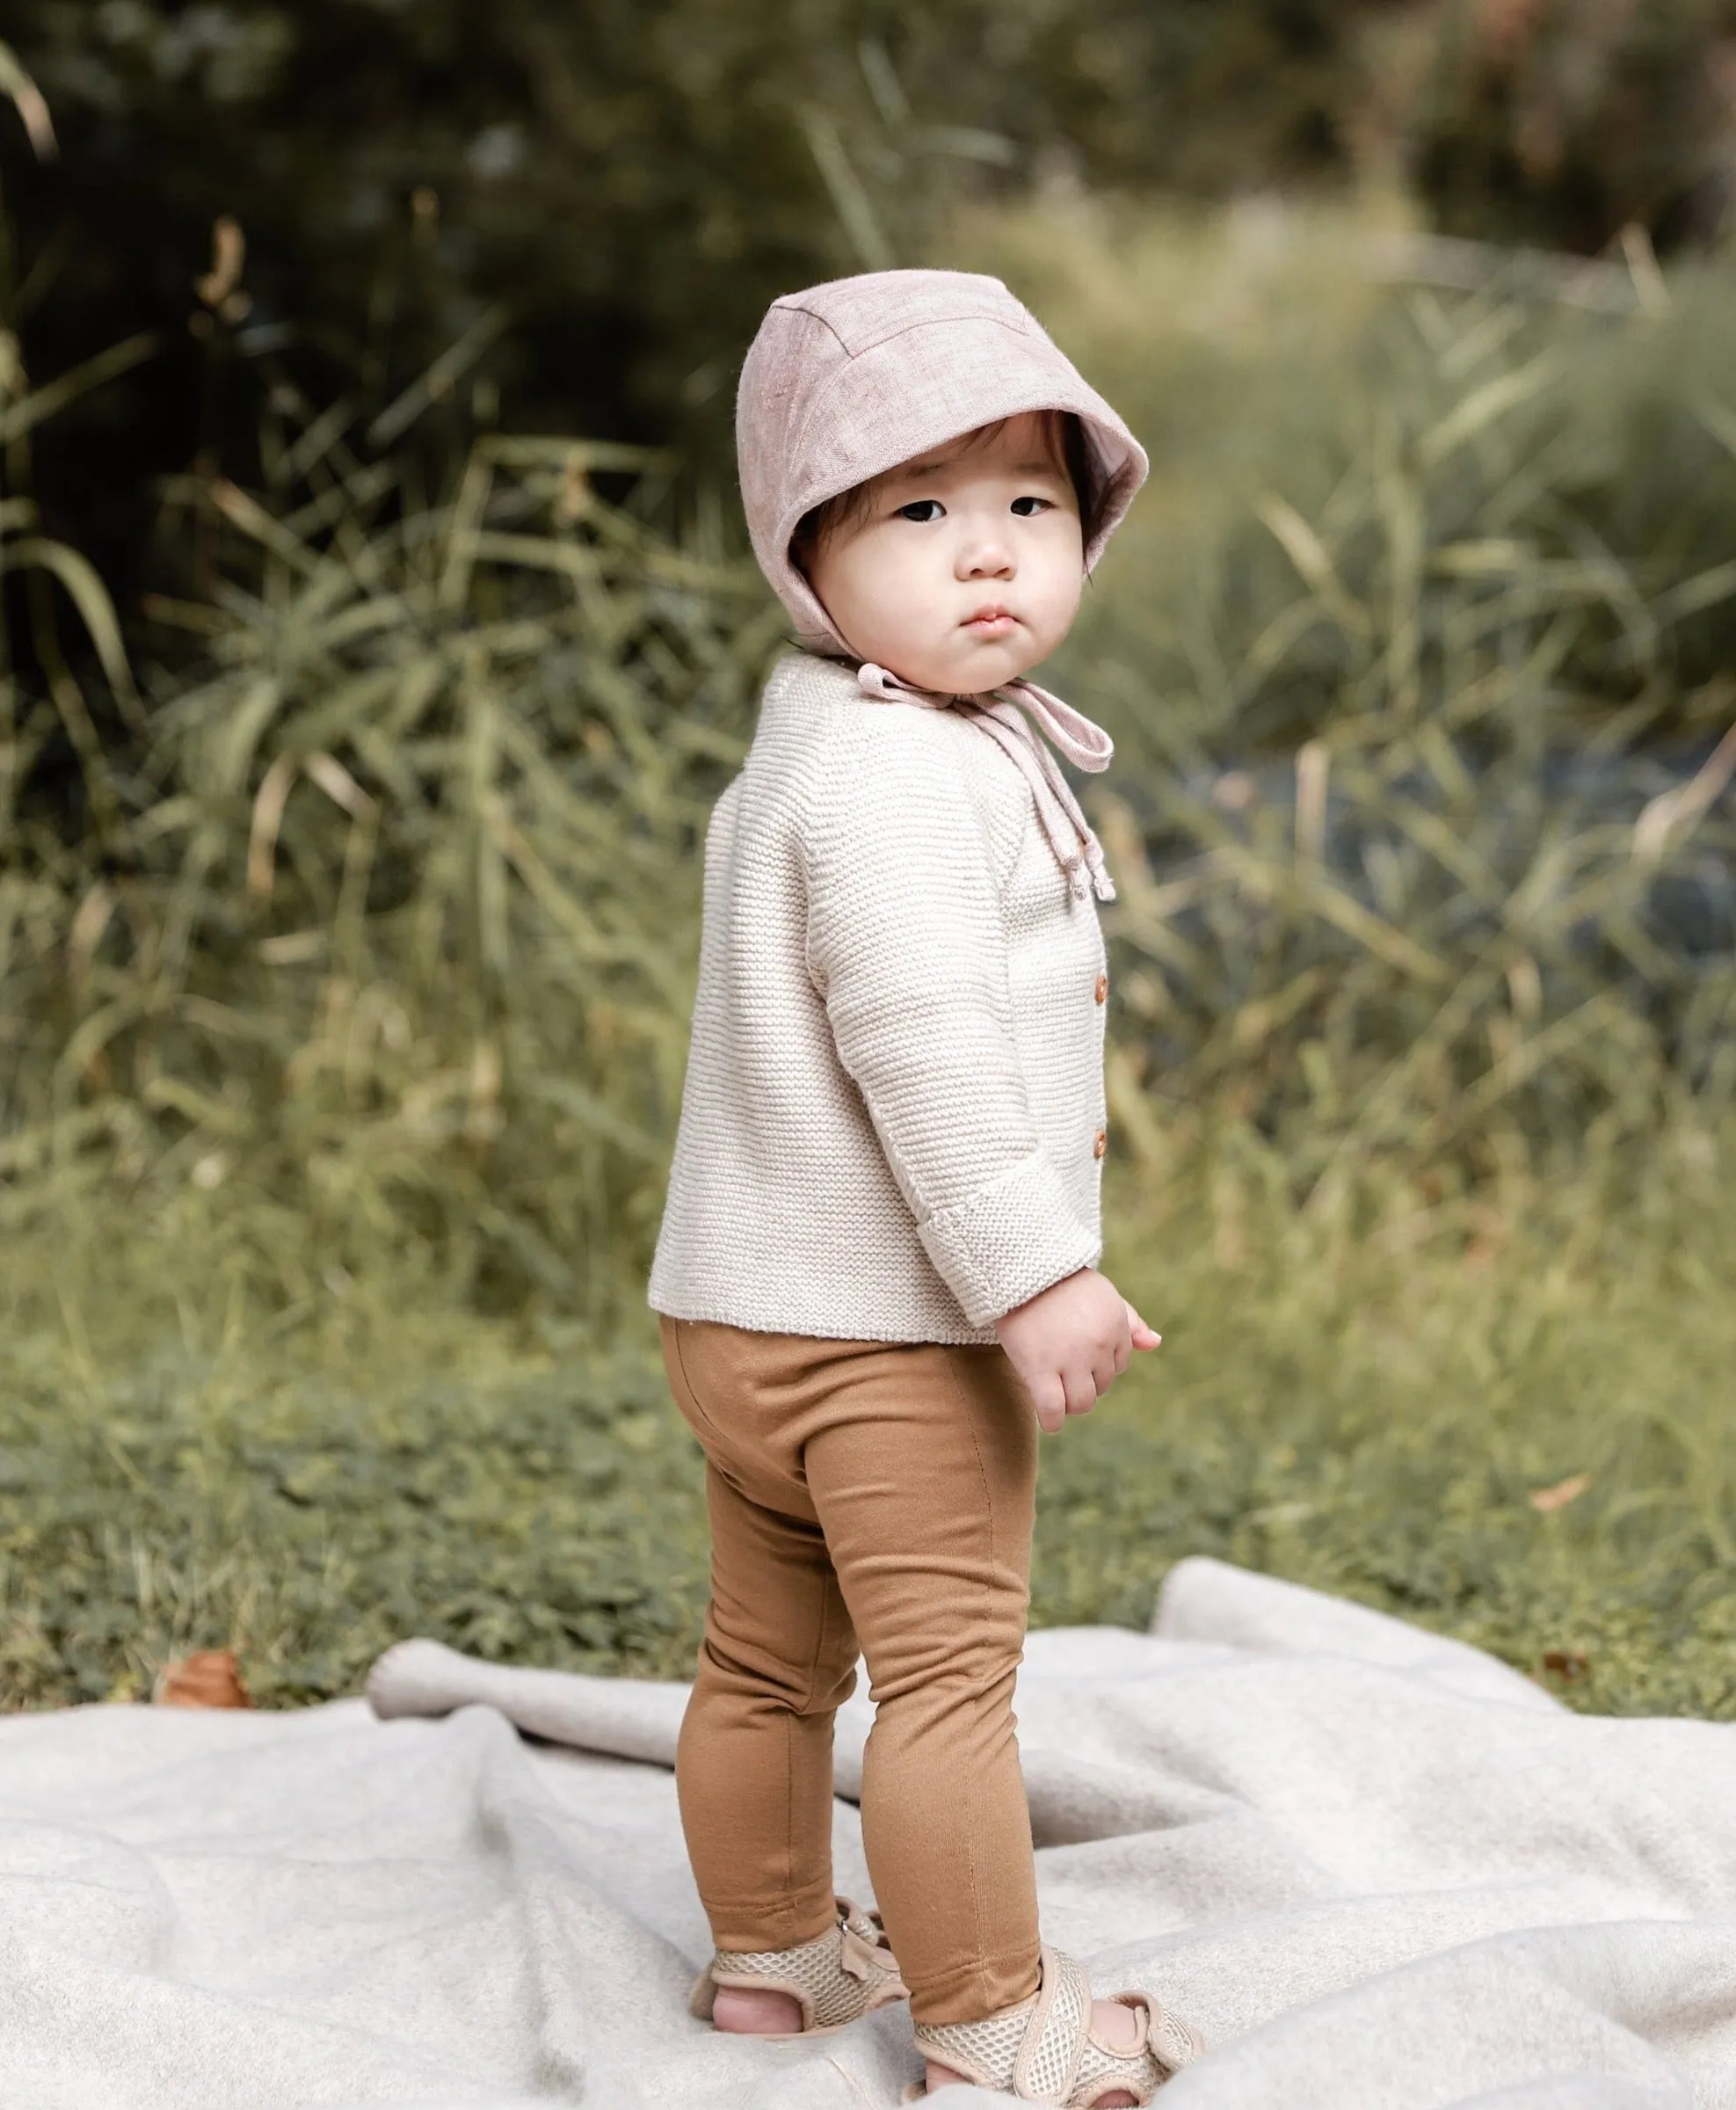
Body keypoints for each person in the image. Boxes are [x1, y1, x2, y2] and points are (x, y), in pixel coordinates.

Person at [648, 269, 1206, 2106]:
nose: (990, 559)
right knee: (949, 1683)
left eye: (1029, 505)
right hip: (894, 1331)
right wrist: (1029, 1270)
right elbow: (922, 1046)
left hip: (736, 1313)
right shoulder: (897, 777)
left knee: (765, 1653)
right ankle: (989, 2020)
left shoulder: (812, 737)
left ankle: (774, 1952)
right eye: (919, 510)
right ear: (809, 549)